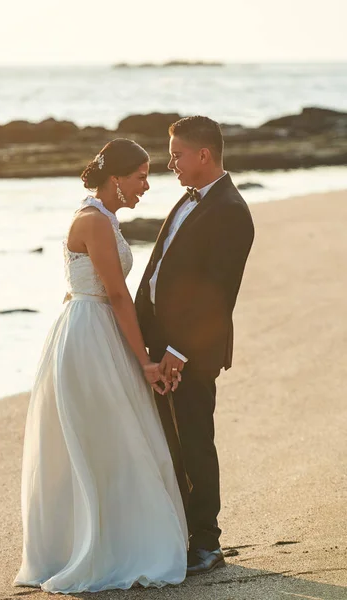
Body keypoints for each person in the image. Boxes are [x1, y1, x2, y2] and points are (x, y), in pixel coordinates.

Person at [14, 138, 187, 594]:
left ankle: (114, 536)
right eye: (141, 177)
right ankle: (96, 548)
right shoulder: (92, 220)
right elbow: (114, 294)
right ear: (116, 178)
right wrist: (146, 361)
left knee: (116, 438)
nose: (146, 186)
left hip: (94, 328)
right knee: (106, 438)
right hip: (91, 338)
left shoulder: (102, 217)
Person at [135, 116, 255, 576]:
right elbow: (159, 268)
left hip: (189, 353)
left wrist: (179, 351)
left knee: (194, 445)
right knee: (167, 444)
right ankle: (178, 532)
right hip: (158, 345)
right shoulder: (188, 200)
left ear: (204, 155)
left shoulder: (229, 209)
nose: (171, 163)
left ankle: (206, 541)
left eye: (177, 154)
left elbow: (219, 291)